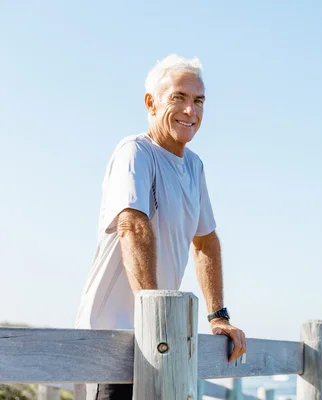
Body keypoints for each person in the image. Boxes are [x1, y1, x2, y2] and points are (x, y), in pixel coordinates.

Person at [75, 54, 246, 400]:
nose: (190, 111)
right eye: (178, 98)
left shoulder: (194, 166)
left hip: (157, 343)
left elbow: (206, 241)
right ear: (151, 103)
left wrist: (218, 317)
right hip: (112, 341)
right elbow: (132, 225)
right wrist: (153, 314)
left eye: (198, 101)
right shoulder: (135, 152)